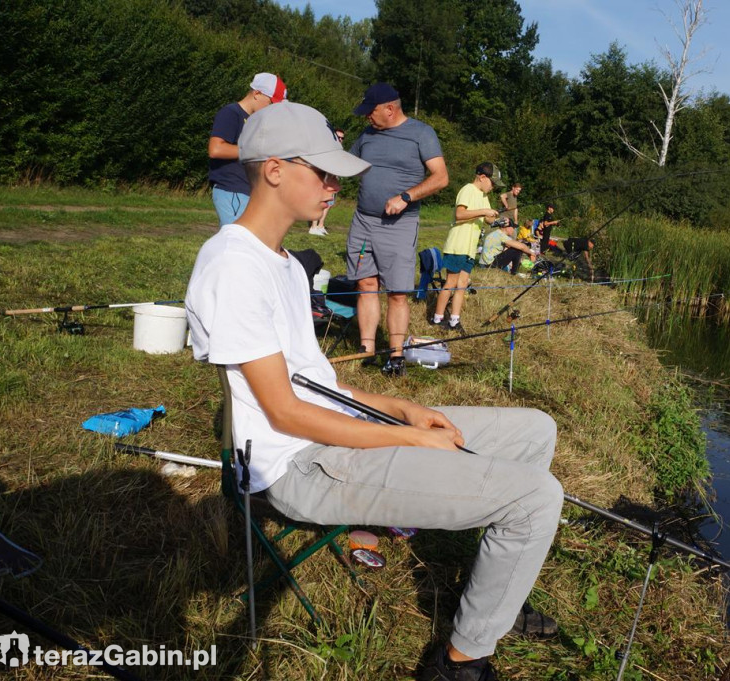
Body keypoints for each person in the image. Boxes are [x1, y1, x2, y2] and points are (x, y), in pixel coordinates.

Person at [185, 101, 561, 681]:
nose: (335, 186)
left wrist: (397, 406)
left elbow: (319, 383)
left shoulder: (282, 262)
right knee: (537, 498)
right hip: (299, 467)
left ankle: (499, 591)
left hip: (327, 429)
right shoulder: (233, 265)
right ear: (276, 170)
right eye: (325, 173)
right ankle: (460, 662)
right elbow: (285, 413)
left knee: (536, 429)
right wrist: (408, 438)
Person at [346, 83, 449, 377]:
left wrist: (406, 197)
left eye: (371, 111)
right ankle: (366, 350)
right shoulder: (367, 135)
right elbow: (348, 164)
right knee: (365, 284)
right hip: (363, 221)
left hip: (399, 226)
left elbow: (441, 177)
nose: (367, 117)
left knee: (397, 292)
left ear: (390, 109)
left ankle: (395, 356)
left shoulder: (421, 133)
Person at [207, 72, 287, 227]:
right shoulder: (231, 113)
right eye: (271, 103)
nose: (272, 109)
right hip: (232, 189)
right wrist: (254, 150)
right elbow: (215, 149)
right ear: (257, 93)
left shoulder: (255, 120)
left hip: (247, 191)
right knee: (237, 241)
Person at [432, 162, 503, 333]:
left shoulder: (483, 196)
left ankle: (454, 321)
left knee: (462, 284)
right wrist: (483, 211)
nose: (493, 187)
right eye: (492, 183)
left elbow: (487, 219)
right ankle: (438, 318)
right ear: (482, 177)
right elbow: (459, 215)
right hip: (458, 245)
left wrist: (494, 217)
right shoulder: (467, 190)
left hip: (470, 248)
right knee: (451, 282)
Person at [309, 126, 346, 236]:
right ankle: (313, 227)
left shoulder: (340, 150)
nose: (340, 139)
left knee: (329, 204)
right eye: (338, 137)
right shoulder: (326, 147)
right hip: (324, 180)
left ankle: (321, 226)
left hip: (333, 179)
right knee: (319, 203)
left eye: (342, 138)